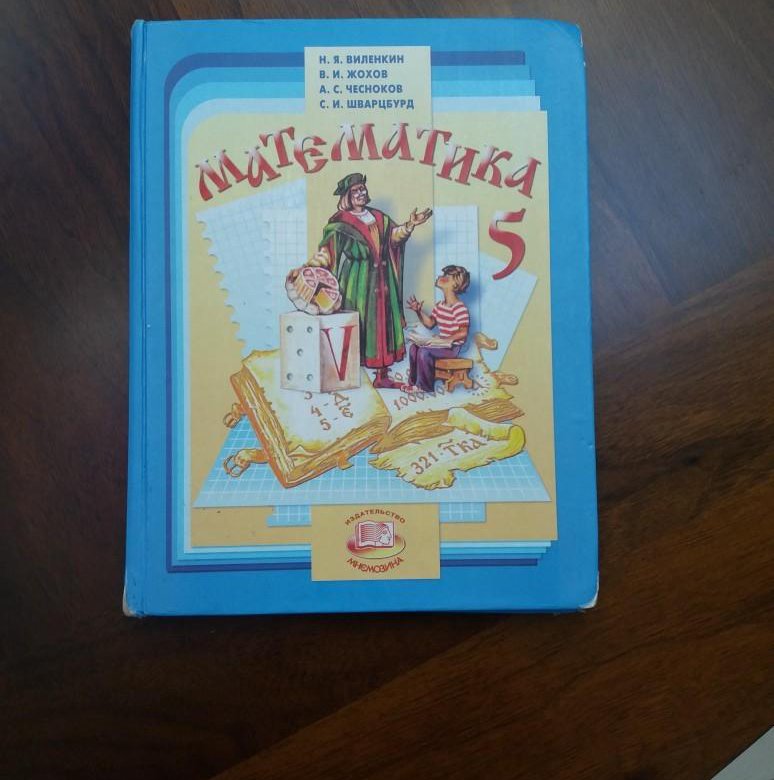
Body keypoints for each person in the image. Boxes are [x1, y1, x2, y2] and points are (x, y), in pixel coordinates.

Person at [291, 173, 432, 389]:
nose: (361, 193)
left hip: (383, 279)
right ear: (347, 196)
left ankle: (382, 376)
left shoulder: (378, 216)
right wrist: (309, 266)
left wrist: (410, 225)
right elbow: (326, 253)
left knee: (383, 324)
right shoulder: (340, 222)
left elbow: (393, 238)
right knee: (361, 324)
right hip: (357, 281)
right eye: (356, 190)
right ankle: (346, 375)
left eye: (363, 188)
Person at [405, 265, 471, 392]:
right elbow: (430, 324)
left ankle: (424, 387)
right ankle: (413, 383)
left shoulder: (459, 307)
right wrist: (418, 311)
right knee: (414, 348)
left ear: (454, 285)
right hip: (441, 344)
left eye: (446, 277)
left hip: (451, 348)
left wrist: (447, 340)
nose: (440, 277)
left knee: (424, 352)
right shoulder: (440, 305)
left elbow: (463, 332)